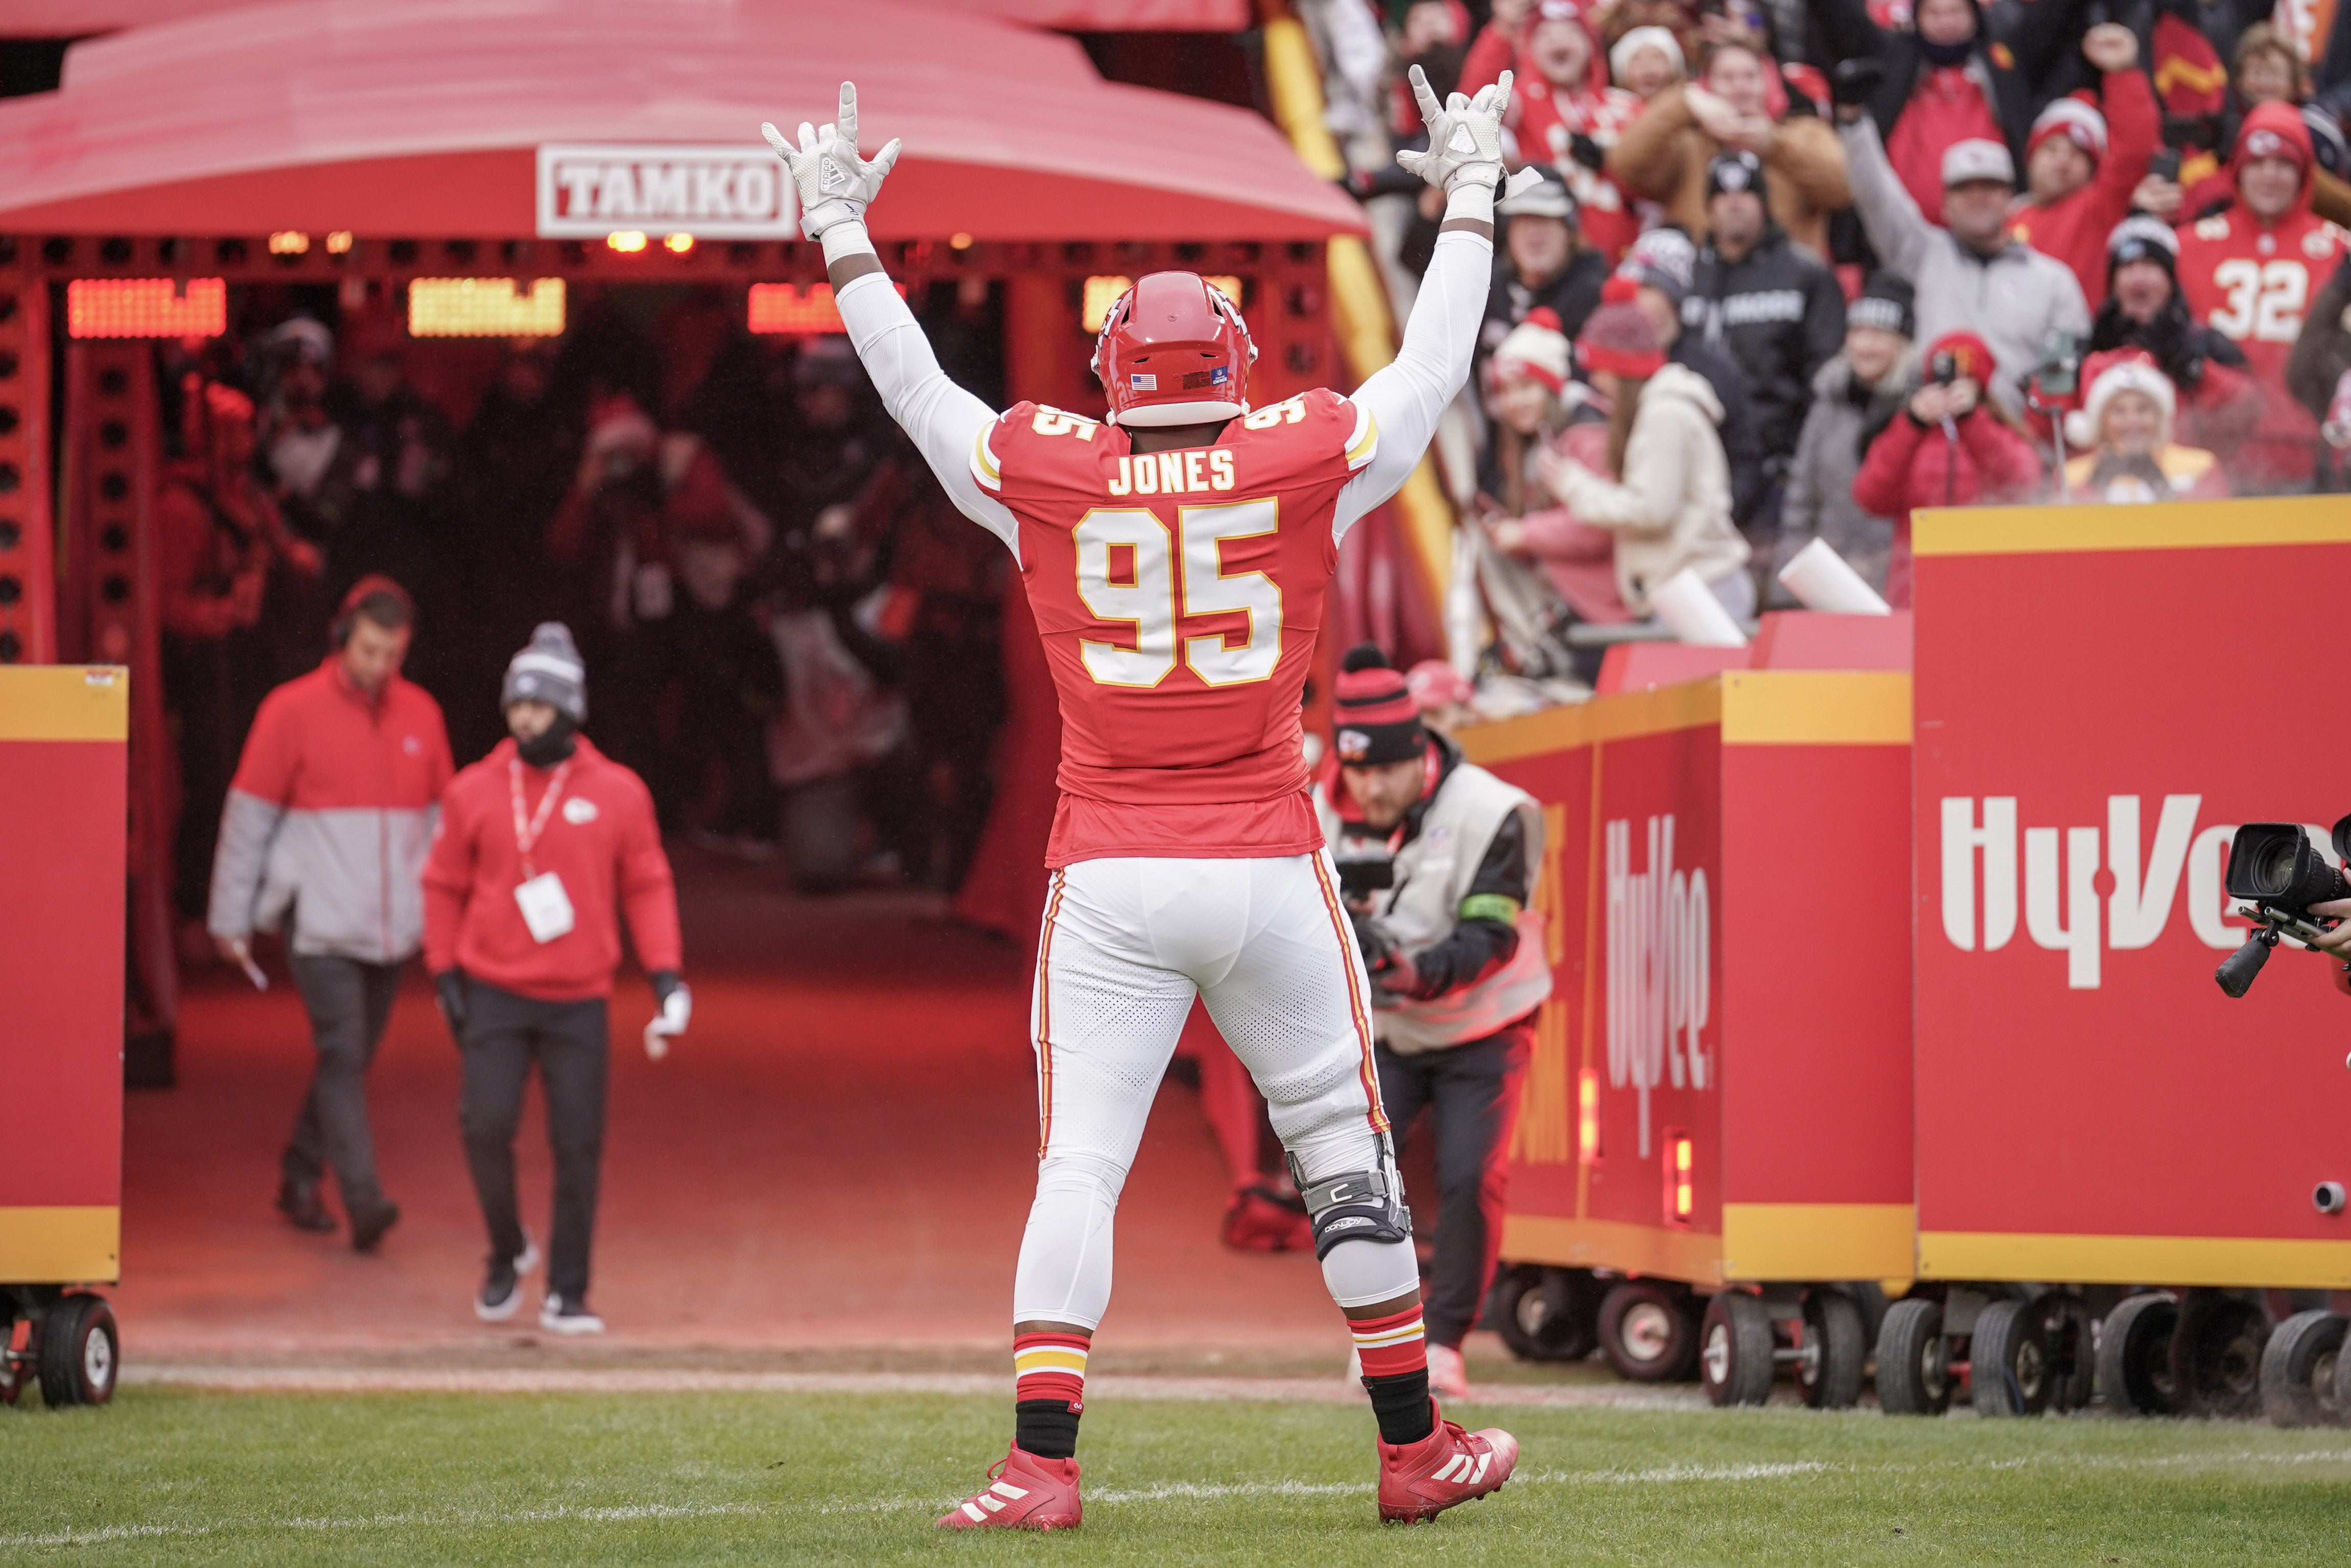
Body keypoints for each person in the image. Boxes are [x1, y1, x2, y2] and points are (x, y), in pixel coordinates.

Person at [763, 76, 1520, 1528]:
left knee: (1082, 1166)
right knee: (1342, 1149)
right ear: (1235, 359)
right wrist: (1470, 192)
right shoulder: (1300, 453)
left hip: (1110, 863)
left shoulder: (1050, 471)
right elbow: (1429, 368)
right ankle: (1413, 1444)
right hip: (1266, 860)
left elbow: (917, 391)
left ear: (1114, 371)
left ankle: (1042, 1460)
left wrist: (840, 228)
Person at [422, 623, 686, 1335]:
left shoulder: (619, 792)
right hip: (495, 990)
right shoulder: (473, 789)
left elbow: (648, 885)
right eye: (516, 706)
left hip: (578, 999)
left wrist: (666, 975)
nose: (524, 720)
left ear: (569, 709)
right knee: (483, 1126)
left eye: (538, 707)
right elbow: (442, 884)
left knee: (577, 1144)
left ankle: (568, 1290)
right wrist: (443, 969)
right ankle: (508, 1250)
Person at [1319, 648, 1552, 1406]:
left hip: (1481, 1020)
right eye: (1358, 772)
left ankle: (1445, 1342)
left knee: (1467, 1174)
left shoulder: (1494, 811)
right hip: (1381, 1028)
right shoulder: (1316, 803)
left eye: (1385, 770)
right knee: (1356, 1178)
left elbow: (1490, 937)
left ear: (1419, 752)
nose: (1370, 788)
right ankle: (1380, 1336)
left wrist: (1411, 971)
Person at [205, 577, 450, 1251]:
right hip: (318, 923)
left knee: (351, 1056)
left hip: (391, 925)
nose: (378, 667)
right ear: (343, 636)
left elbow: (439, 826)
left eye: (392, 655)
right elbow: (248, 820)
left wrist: (445, 916)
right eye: (370, 650)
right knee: (343, 1052)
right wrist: (229, 917)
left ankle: (298, 1172)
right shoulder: (291, 710)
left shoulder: (422, 714)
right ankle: (364, 1197)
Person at [158, 378, 321, 949]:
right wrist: (218, 615)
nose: (243, 440)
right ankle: (198, 907)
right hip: (207, 668)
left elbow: (282, 551)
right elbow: (166, 598)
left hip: (256, 663)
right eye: (230, 429)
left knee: (262, 787)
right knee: (210, 785)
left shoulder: (250, 500)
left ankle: (257, 903)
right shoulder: (181, 506)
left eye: (247, 428)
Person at [1836, 104, 2091, 416]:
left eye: (1990, 186)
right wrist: (1855, 125)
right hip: (1934, 436)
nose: (1978, 197)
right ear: (1945, 205)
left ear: (2011, 199)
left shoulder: (2054, 282)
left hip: (2019, 443)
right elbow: (1876, 198)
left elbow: (2059, 385)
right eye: (1964, 188)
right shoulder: (1923, 255)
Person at [1539, 279, 1754, 618]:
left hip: (1701, 592)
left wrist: (1574, 486)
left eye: (1601, 371)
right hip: (1688, 589)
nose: (1595, 383)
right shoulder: (1660, 410)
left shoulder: (1665, 414)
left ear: (1623, 370)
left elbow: (1651, 510)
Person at [2176, 101, 2348, 490]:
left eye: (2285, 164)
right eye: (2257, 163)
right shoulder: (2187, 247)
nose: (2270, 176)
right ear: (2237, 169)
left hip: (2309, 450)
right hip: (2211, 449)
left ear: (2305, 173)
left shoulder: (2340, 251)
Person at [1682, 150, 1848, 529]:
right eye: (1722, 195)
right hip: (1701, 462)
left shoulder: (1805, 272)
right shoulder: (1690, 273)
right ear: (1709, 207)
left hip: (1778, 468)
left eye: (1746, 193)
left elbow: (1826, 375)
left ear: (1765, 203)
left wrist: (1800, 458)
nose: (1734, 204)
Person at [1804, 0, 2083, 221]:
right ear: (1916, 19)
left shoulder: (2007, 58)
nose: (1946, 22)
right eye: (1934, 13)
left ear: (1975, 14)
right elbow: (1841, 16)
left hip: (2001, 228)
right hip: (1902, 237)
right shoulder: (1892, 57)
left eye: (1956, 11)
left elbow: (2053, 17)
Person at [1606, 36, 1852, 259]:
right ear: (1707, 87)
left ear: (1769, 83)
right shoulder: (1688, 144)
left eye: (1750, 76)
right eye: (1727, 78)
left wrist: (1776, 145)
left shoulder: (1803, 132)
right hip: (1703, 288)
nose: (1740, 86)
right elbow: (1626, 164)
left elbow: (1845, 186)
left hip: (1785, 293)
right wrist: (1684, 102)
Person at [1850, 330, 2044, 603]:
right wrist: (1912, 425)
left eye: (1965, 381)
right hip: (1915, 584)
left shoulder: (1997, 431)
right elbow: (1870, 496)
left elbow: (2023, 485)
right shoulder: (1909, 433)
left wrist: (1971, 421)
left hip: (1986, 579)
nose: (1953, 389)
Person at [1778, 272, 1919, 596]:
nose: (1865, 346)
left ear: (1902, 343)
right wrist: (1790, 585)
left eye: (1879, 334)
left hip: (1899, 585)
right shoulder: (1828, 405)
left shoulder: (1918, 413)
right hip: (1830, 581)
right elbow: (1802, 500)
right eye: (1857, 332)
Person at [1617, 228, 1771, 523]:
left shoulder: (1712, 369)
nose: (1633, 299)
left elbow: (1745, 459)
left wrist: (1717, 523)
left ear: (1672, 297)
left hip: (1696, 536)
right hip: (1628, 523)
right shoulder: (1610, 361)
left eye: (1646, 288)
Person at [2004, 26, 2160, 310]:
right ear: (2030, 157)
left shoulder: (2096, 210)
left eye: (2077, 155)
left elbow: (2134, 149)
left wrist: (2123, 73)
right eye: (2051, 149)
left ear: (2093, 171)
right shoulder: (2005, 216)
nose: (2063, 161)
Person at [2085, 215, 2257, 459]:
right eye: (2127, 268)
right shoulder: (2092, 345)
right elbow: (2052, 429)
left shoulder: (2206, 342)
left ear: (2171, 281)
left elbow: (2247, 412)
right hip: (2103, 485)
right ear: (2113, 284)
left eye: (2150, 267)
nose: (2138, 279)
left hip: (2190, 483)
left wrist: (2196, 370)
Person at [1510, 0, 1645, 260]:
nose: (1558, 41)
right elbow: (1474, 110)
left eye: (1572, 33)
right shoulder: (1518, 102)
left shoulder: (1627, 106)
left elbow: (1655, 179)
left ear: (1591, 46)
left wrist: (1610, 164)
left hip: (1628, 256)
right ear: (1528, 48)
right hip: (1553, 268)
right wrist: (1503, 28)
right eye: (1545, 35)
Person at [1478, 166, 1610, 392]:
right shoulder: (1486, 285)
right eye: (1524, 219)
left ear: (1569, 231)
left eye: (1545, 219)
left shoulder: (1596, 300)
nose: (1534, 234)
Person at [2061, 347, 2229, 500]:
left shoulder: (2199, 469)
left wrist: (2165, 490)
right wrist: (2093, 488)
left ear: (2159, 417)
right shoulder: (2073, 477)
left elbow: (2213, 528)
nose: (2132, 421)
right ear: (2101, 421)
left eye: (2143, 410)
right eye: (2119, 412)